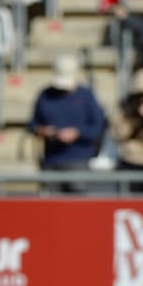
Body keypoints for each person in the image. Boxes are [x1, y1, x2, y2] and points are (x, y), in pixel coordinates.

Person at [29, 55, 107, 192]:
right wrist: (44, 131)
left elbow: (97, 128)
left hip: (78, 162)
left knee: (77, 208)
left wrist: (77, 133)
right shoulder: (45, 95)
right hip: (51, 161)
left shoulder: (86, 96)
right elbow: (32, 125)